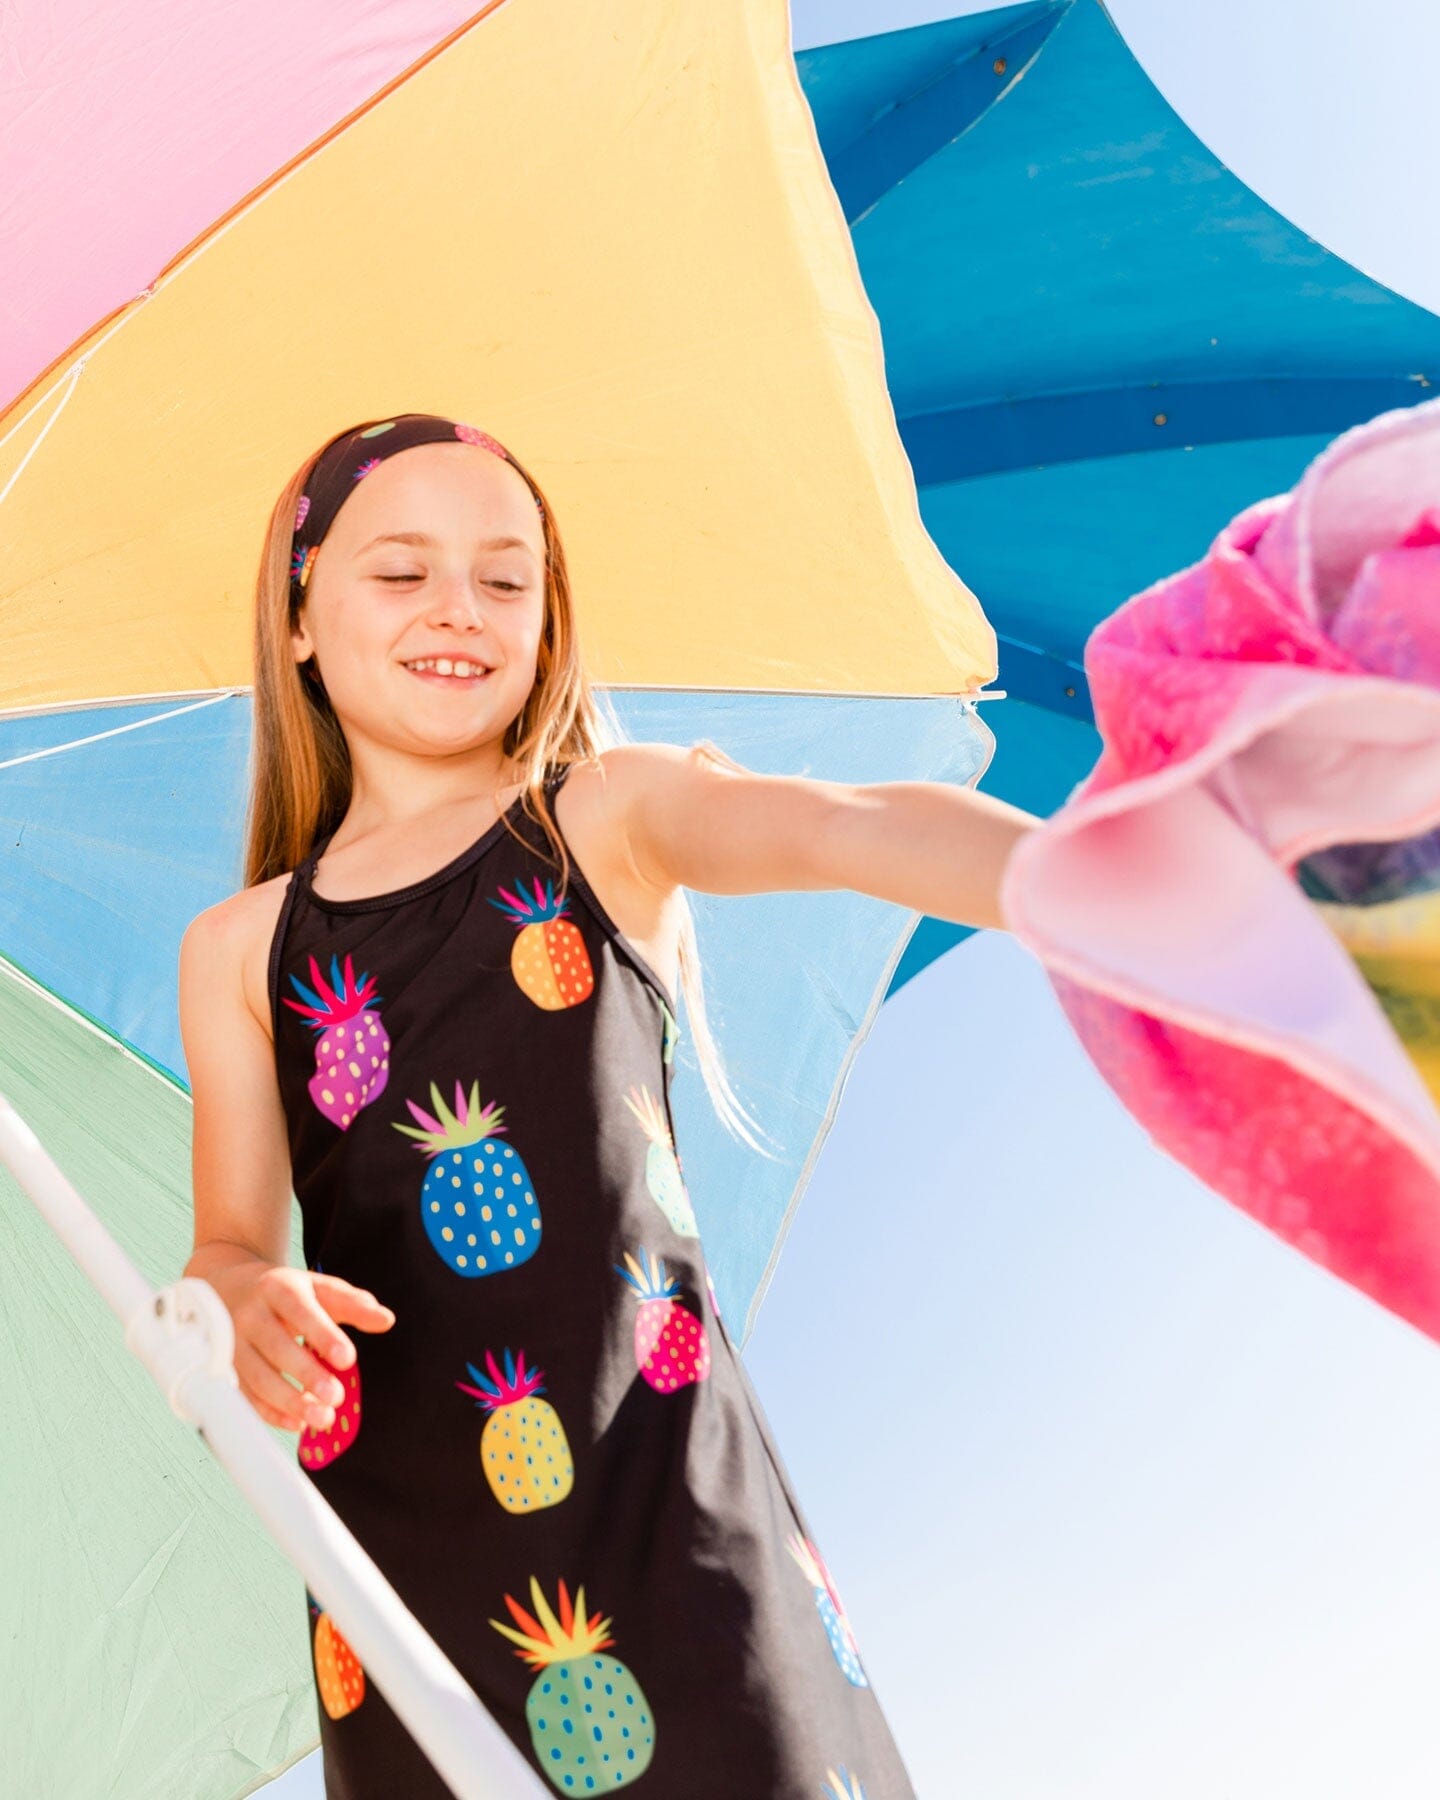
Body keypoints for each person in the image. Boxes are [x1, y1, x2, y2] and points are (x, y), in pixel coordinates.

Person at [179, 413, 1038, 1798]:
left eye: (505, 578)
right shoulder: (238, 950)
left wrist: (1093, 878)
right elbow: (227, 1242)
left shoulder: (603, 817)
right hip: (405, 1580)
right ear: (297, 619)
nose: (459, 607)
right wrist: (238, 1299)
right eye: (400, 573)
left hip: (669, 1513)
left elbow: (847, 826)